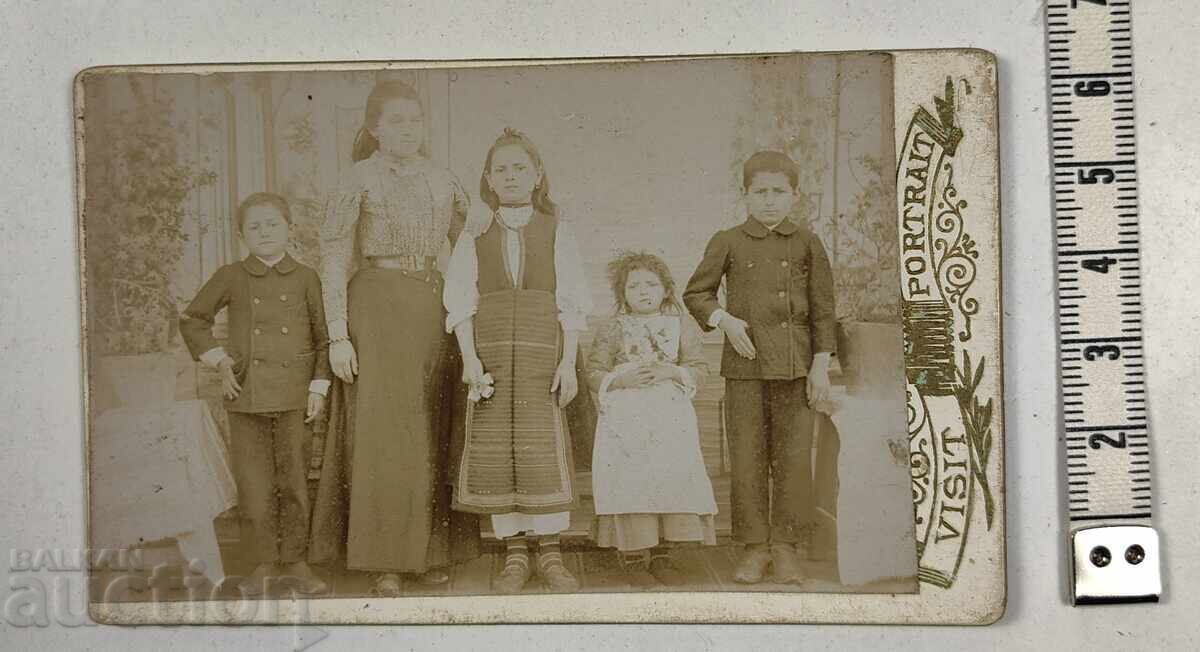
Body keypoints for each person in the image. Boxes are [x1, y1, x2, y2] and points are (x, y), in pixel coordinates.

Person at [309, 80, 480, 597]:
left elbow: (471, 243)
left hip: (430, 310)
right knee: (384, 435)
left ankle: (429, 552)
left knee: (428, 428)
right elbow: (335, 257)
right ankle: (384, 560)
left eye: (415, 119)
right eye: (397, 120)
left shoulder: (443, 180)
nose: (409, 129)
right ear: (374, 129)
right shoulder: (357, 180)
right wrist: (338, 334)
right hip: (375, 311)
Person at [443, 128, 591, 593]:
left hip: (543, 352)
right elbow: (461, 299)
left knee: (541, 450)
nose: (510, 176)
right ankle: (514, 554)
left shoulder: (556, 228)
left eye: (519, 168)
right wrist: (469, 360)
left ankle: (550, 551)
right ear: (488, 178)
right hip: (488, 355)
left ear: (537, 175)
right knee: (498, 452)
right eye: (501, 169)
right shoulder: (475, 232)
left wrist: (568, 364)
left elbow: (572, 301)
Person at [682, 150, 837, 585]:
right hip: (746, 367)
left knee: (791, 461)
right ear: (745, 196)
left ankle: (785, 547)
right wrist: (725, 320)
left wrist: (820, 364)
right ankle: (753, 548)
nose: (769, 200)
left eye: (778, 192)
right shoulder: (727, 240)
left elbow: (824, 309)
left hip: (795, 368)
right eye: (760, 192)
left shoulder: (807, 242)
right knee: (747, 460)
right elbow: (697, 294)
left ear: (794, 196)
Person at [179, 192, 330, 596]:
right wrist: (219, 360)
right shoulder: (231, 275)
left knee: (295, 480)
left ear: (289, 229)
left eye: (272, 224)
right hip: (246, 395)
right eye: (254, 227)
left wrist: (318, 386)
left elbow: (322, 339)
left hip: (296, 394)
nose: (264, 233)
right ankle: (263, 562)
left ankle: (296, 562)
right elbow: (193, 319)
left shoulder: (306, 277)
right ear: (242, 234)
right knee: (254, 483)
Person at [586, 251, 718, 587]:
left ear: (665, 290)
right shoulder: (613, 327)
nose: (643, 291)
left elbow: (700, 369)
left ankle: (662, 555)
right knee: (632, 481)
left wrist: (670, 370)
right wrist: (620, 380)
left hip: (668, 418)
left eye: (651, 284)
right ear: (622, 294)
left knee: (667, 478)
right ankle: (633, 558)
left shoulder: (681, 325)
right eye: (633, 286)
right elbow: (594, 371)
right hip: (626, 419)